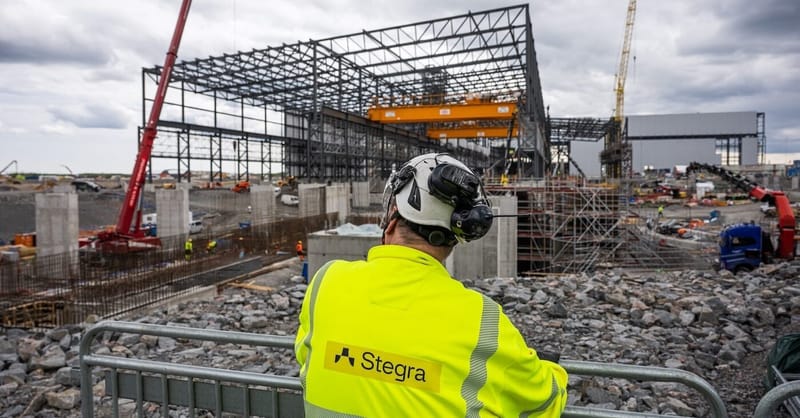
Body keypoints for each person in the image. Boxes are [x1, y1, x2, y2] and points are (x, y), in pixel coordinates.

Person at [295, 153, 567, 417]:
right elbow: (544, 400)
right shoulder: (481, 320)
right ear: (457, 235)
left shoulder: (327, 282)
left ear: (392, 218)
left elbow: (306, 355)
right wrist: (549, 369)